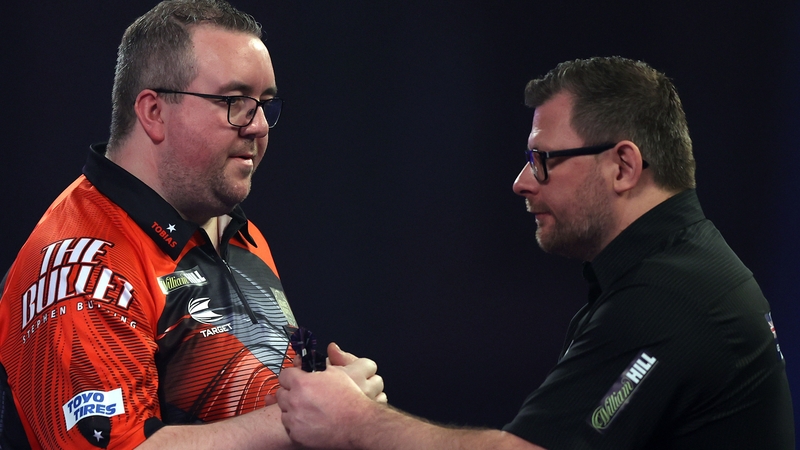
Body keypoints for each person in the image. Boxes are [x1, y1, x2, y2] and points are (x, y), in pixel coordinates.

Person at [276, 56, 795, 449]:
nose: (522, 182)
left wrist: (358, 424)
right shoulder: (675, 270)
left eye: (543, 159)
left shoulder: (670, 297)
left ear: (623, 167)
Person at [0, 1, 384, 449]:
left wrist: (328, 392)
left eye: (264, 104)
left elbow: (243, 408)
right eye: (235, 102)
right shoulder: (83, 268)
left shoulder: (237, 233)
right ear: (154, 112)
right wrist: (310, 418)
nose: (259, 126)